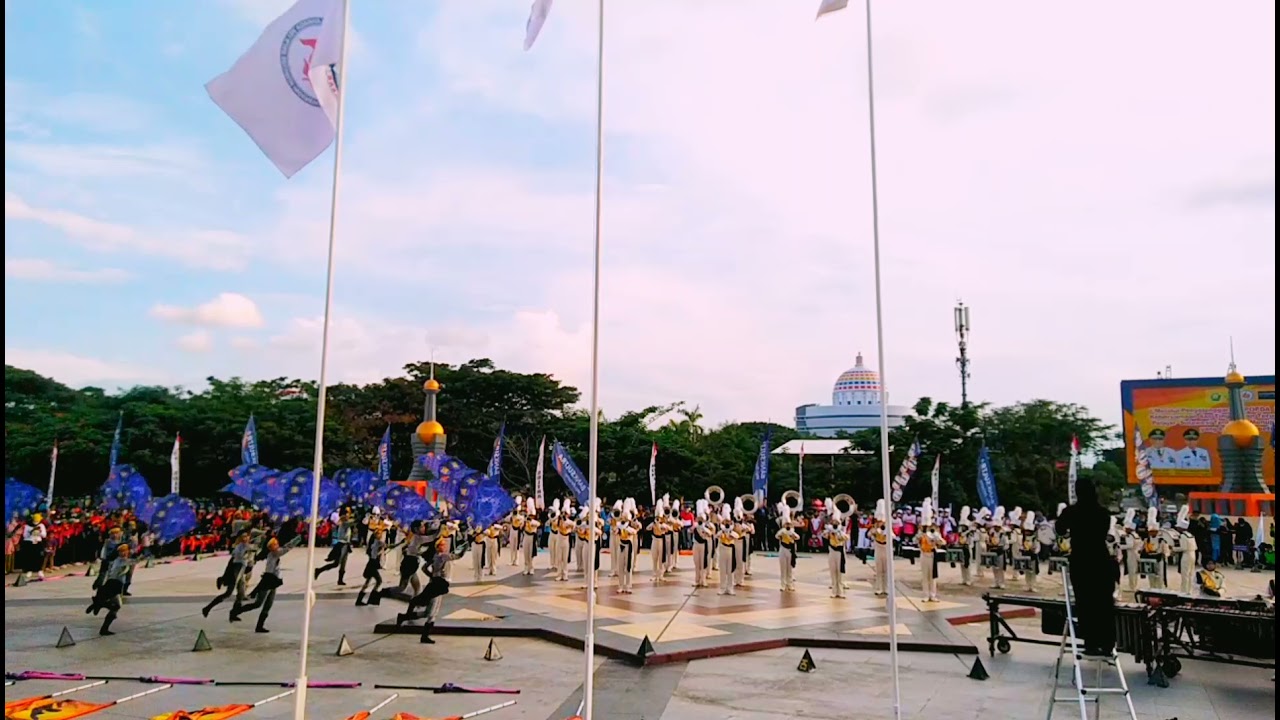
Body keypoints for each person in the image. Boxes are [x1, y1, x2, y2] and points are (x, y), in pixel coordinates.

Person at [1055, 477, 1120, 656]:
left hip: (1081, 560)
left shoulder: (1072, 511)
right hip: (1101, 559)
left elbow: (1060, 529)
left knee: (1085, 602)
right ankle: (1107, 643)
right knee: (1104, 602)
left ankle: (1090, 642)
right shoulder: (1103, 513)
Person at [231, 536, 301, 632]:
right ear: (271, 546)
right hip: (268, 580)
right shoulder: (274, 553)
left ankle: (259, 626)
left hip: (274, 581)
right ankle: (236, 611)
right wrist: (298, 539)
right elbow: (287, 548)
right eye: (275, 544)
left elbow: (285, 547)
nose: (277, 545)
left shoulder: (274, 553)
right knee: (258, 603)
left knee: (268, 604)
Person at [86, 542, 138, 636]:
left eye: (125, 551)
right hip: (114, 584)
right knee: (116, 606)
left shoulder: (118, 560)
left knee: (115, 607)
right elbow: (133, 562)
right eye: (122, 551)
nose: (124, 553)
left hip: (114, 584)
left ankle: (99, 605)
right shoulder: (120, 560)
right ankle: (100, 606)